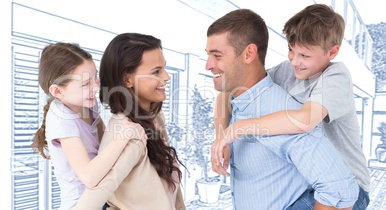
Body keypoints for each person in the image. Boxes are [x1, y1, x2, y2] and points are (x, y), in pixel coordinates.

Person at [210, 4, 370, 210]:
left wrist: (238, 128)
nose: (295, 61)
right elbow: (229, 92)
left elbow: (306, 120)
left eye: (304, 55)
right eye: (291, 51)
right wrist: (222, 139)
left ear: (332, 52)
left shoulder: (336, 76)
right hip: (308, 180)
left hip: (348, 186)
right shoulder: (287, 71)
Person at [73, 33, 186, 210]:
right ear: (127, 79)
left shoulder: (154, 119)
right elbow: (89, 202)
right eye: (156, 71)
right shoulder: (129, 134)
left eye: (164, 68)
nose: (167, 77)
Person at [31, 42, 146, 210]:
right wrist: (124, 135)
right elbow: (89, 177)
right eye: (86, 84)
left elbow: (104, 145)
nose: (96, 87)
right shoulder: (61, 119)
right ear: (57, 92)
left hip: (103, 197)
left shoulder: (87, 104)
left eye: (95, 77)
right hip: (82, 204)